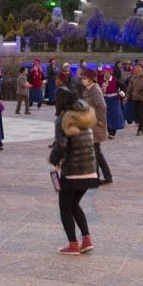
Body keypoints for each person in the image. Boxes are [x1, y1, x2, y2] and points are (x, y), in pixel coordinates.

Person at [49, 86, 98, 255]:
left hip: (73, 170)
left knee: (65, 206)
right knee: (74, 203)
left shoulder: (63, 118)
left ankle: (72, 244)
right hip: (90, 169)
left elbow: (61, 145)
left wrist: (53, 158)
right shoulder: (84, 116)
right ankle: (86, 239)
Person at [80, 68, 112, 185]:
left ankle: (95, 179)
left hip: (95, 126)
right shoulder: (89, 90)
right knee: (96, 152)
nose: (83, 79)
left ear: (91, 79)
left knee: (94, 153)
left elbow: (102, 106)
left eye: (85, 78)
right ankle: (107, 176)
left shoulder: (95, 90)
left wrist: (97, 120)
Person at [100, 67, 124, 139]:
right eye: (105, 73)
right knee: (105, 116)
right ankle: (108, 129)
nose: (106, 74)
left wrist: (120, 94)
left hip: (114, 100)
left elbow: (123, 87)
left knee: (114, 116)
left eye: (107, 73)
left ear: (110, 74)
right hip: (104, 99)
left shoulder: (115, 81)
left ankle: (112, 132)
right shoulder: (101, 81)